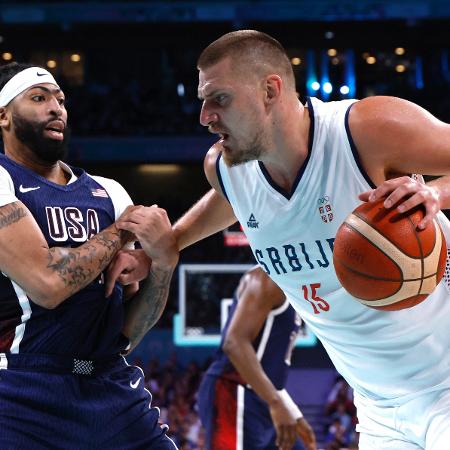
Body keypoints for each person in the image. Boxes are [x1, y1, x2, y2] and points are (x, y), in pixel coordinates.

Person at [108, 29, 450, 450]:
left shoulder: (365, 130)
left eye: (219, 99)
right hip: (378, 409)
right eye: (202, 101)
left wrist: (435, 193)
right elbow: (230, 198)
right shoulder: (227, 169)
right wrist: (167, 245)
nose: (204, 116)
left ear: (270, 90)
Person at [0, 62, 179, 449]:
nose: (56, 107)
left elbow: (128, 332)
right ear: (3, 116)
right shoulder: (3, 180)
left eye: (60, 100)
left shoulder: (110, 193)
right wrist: (119, 231)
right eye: (39, 98)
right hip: (21, 392)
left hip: (111, 385)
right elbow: (47, 285)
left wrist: (164, 265)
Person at [197, 266, 316, 450]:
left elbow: (267, 368)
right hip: (234, 390)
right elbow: (234, 342)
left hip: (263, 396)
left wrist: (293, 413)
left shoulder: (296, 287)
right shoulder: (267, 277)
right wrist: (275, 402)